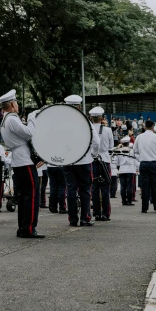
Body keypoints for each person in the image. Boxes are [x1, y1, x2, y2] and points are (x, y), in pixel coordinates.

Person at [0, 89, 44, 238]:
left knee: (24, 195)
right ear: (12, 104)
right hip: (23, 159)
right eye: (16, 102)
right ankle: (29, 228)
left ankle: (23, 227)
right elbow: (29, 132)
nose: (18, 104)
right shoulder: (11, 119)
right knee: (31, 194)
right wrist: (32, 118)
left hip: (19, 159)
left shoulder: (6, 119)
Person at [62, 95, 98, 227]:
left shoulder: (61, 124)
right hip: (84, 161)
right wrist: (92, 154)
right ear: (79, 106)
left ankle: (72, 219)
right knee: (85, 190)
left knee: (71, 189)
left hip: (68, 161)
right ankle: (85, 218)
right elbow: (96, 141)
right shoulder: (85, 122)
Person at [90, 107, 113, 221]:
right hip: (104, 159)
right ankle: (105, 213)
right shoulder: (108, 130)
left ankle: (96, 213)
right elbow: (110, 147)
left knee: (94, 188)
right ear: (102, 118)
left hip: (91, 160)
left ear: (91, 118)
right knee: (105, 188)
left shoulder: (87, 129)